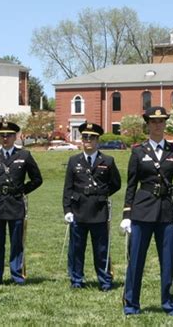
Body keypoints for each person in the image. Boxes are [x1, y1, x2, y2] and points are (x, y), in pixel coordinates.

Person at [120, 106, 173, 316]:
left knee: (169, 259)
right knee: (136, 259)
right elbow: (131, 185)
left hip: (166, 212)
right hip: (142, 211)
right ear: (148, 125)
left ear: (165, 124)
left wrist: (170, 192)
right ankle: (131, 304)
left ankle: (169, 303)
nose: (158, 125)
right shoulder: (138, 151)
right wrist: (126, 214)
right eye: (153, 122)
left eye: (161, 121)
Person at [63, 122, 121, 291]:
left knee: (101, 248)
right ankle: (76, 279)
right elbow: (68, 187)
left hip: (98, 210)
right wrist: (67, 209)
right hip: (78, 209)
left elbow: (116, 183)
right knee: (76, 248)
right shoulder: (74, 161)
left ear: (97, 140)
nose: (88, 140)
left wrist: (102, 195)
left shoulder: (108, 161)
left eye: (92, 138)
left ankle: (104, 280)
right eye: (85, 137)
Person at [0, 121, 43, 285]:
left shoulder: (24, 156)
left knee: (17, 242)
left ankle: (17, 275)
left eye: (8, 135)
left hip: (16, 203)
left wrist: (23, 190)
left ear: (15, 136)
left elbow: (37, 179)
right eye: (2, 135)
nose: (5, 138)